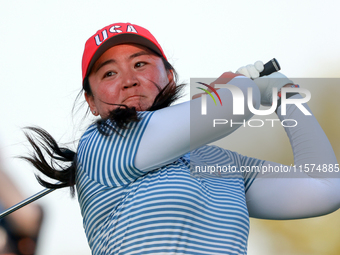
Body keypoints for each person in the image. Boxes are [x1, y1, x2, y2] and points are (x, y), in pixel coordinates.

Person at [22, 22, 340, 255]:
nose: (129, 80)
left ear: (169, 78)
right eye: (109, 73)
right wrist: (241, 85)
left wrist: (287, 96)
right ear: (91, 101)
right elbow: (228, 109)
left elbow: (324, 188)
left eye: (140, 64)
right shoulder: (102, 143)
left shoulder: (218, 163)